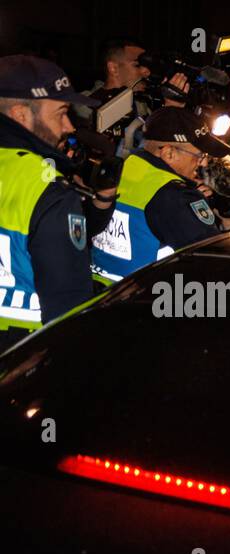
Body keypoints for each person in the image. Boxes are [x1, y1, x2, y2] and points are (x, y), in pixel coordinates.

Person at [0, 55, 116, 345]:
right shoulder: (49, 190)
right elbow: (69, 310)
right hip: (26, 354)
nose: (69, 126)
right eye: (61, 112)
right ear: (20, 115)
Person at [89, 107, 226, 284]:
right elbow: (214, 262)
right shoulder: (176, 196)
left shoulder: (125, 167)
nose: (203, 163)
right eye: (199, 156)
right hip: (147, 299)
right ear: (169, 153)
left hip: (101, 291)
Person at [76, 38, 190, 158]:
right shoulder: (84, 103)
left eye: (149, 66)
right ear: (113, 68)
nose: (146, 72)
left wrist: (173, 109)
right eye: (138, 65)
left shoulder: (144, 106)